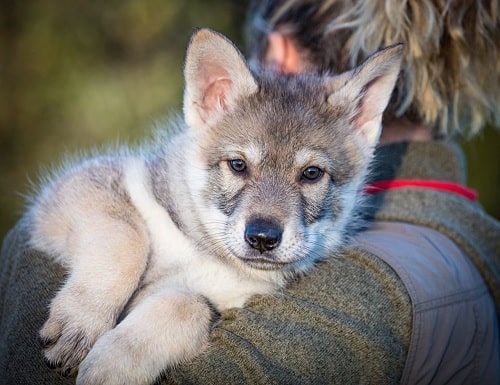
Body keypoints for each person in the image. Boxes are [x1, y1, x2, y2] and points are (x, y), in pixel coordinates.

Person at [1, 0, 499, 384]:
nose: (266, 218)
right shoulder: (462, 242)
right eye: (239, 166)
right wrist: (108, 274)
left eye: (310, 175)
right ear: (212, 96)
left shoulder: (363, 299)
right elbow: (96, 185)